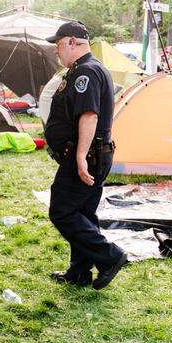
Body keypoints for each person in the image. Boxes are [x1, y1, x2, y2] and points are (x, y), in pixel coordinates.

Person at [43, 20, 128, 289]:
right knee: (82, 212)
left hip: (87, 155)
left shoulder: (86, 73)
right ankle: (79, 272)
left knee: (61, 211)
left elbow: (89, 116)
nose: (56, 51)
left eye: (58, 45)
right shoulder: (86, 69)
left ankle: (110, 256)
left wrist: (80, 157)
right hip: (95, 153)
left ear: (71, 42)